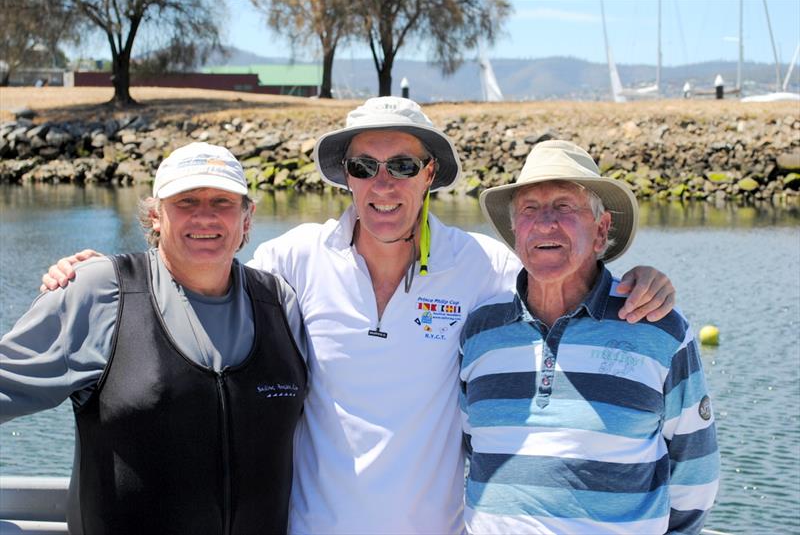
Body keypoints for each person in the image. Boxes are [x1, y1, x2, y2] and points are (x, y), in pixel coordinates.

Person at [40, 98, 676, 534]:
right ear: (346, 176)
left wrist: (641, 279)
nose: (384, 184)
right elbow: (196, 282)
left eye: (402, 166)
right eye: (365, 167)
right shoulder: (291, 259)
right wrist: (104, 276)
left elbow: (562, 275)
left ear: (430, 174)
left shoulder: (482, 265)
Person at [0, 142, 308, 535]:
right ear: (155, 215)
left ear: (247, 220)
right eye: (186, 201)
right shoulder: (99, 292)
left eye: (223, 201)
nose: (204, 215)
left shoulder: (280, 304)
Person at [460, 140, 719, 534]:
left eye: (564, 206)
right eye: (530, 209)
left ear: (601, 231)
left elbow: (694, 476)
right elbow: (469, 444)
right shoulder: (480, 330)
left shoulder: (657, 328)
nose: (545, 223)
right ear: (515, 232)